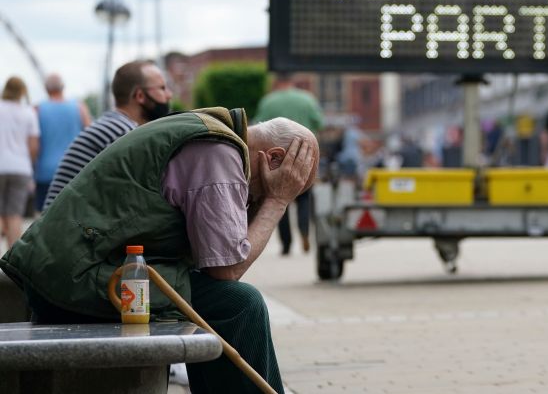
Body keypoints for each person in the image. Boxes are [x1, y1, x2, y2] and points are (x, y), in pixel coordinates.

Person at [0, 107, 319, 394]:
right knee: (237, 304)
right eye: (283, 184)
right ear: (274, 158)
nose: (262, 198)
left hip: (72, 268)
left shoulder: (212, 135)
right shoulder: (219, 155)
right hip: (76, 277)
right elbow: (226, 271)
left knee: (220, 300)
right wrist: (278, 200)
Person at [43, 60, 173, 211]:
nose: (169, 95)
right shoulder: (124, 134)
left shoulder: (112, 125)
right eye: (162, 88)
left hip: (61, 223)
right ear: (140, 96)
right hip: (66, 227)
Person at [254, 72, 323, 255]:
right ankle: (304, 232)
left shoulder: (268, 101)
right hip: (305, 157)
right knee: (304, 200)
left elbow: (258, 129)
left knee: (279, 198)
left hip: (277, 159)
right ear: (292, 81)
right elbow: (319, 123)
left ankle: (286, 244)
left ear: (277, 82)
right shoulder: (307, 99)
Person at [33, 73, 91, 212]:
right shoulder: (79, 107)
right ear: (63, 87)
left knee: (44, 216)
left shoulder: (37, 109)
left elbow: (34, 144)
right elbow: (90, 134)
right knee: (73, 214)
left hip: (45, 172)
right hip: (75, 170)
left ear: (46, 89)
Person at [0, 77, 40, 251]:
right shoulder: (28, 112)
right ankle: (10, 260)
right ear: (23, 91)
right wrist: (29, 163)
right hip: (20, 168)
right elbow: (33, 145)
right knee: (15, 215)